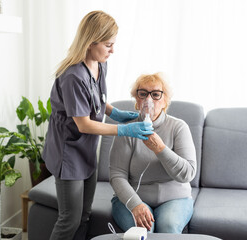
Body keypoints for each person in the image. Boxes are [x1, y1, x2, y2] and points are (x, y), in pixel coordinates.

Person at [42, 11, 153, 240]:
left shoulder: (99, 64)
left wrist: (113, 111)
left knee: (84, 215)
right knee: (69, 219)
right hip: (68, 153)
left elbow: (96, 99)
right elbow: (83, 124)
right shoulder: (72, 76)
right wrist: (124, 129)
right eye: (108, 45)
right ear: (91, 42)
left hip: (87, 150)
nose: (113, 50)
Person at [109, 73, 197, 234]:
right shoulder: (128, 130)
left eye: (156, 94)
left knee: (168, 228)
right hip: (135, 197)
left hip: (175, 198)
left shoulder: (178, 127)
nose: (149, 100)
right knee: (142, 230)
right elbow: (117, 175)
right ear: (136, 99)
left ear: (165, 101)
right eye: (143, 94)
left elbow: (187, 174)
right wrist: (135, 204)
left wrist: (160, 149)